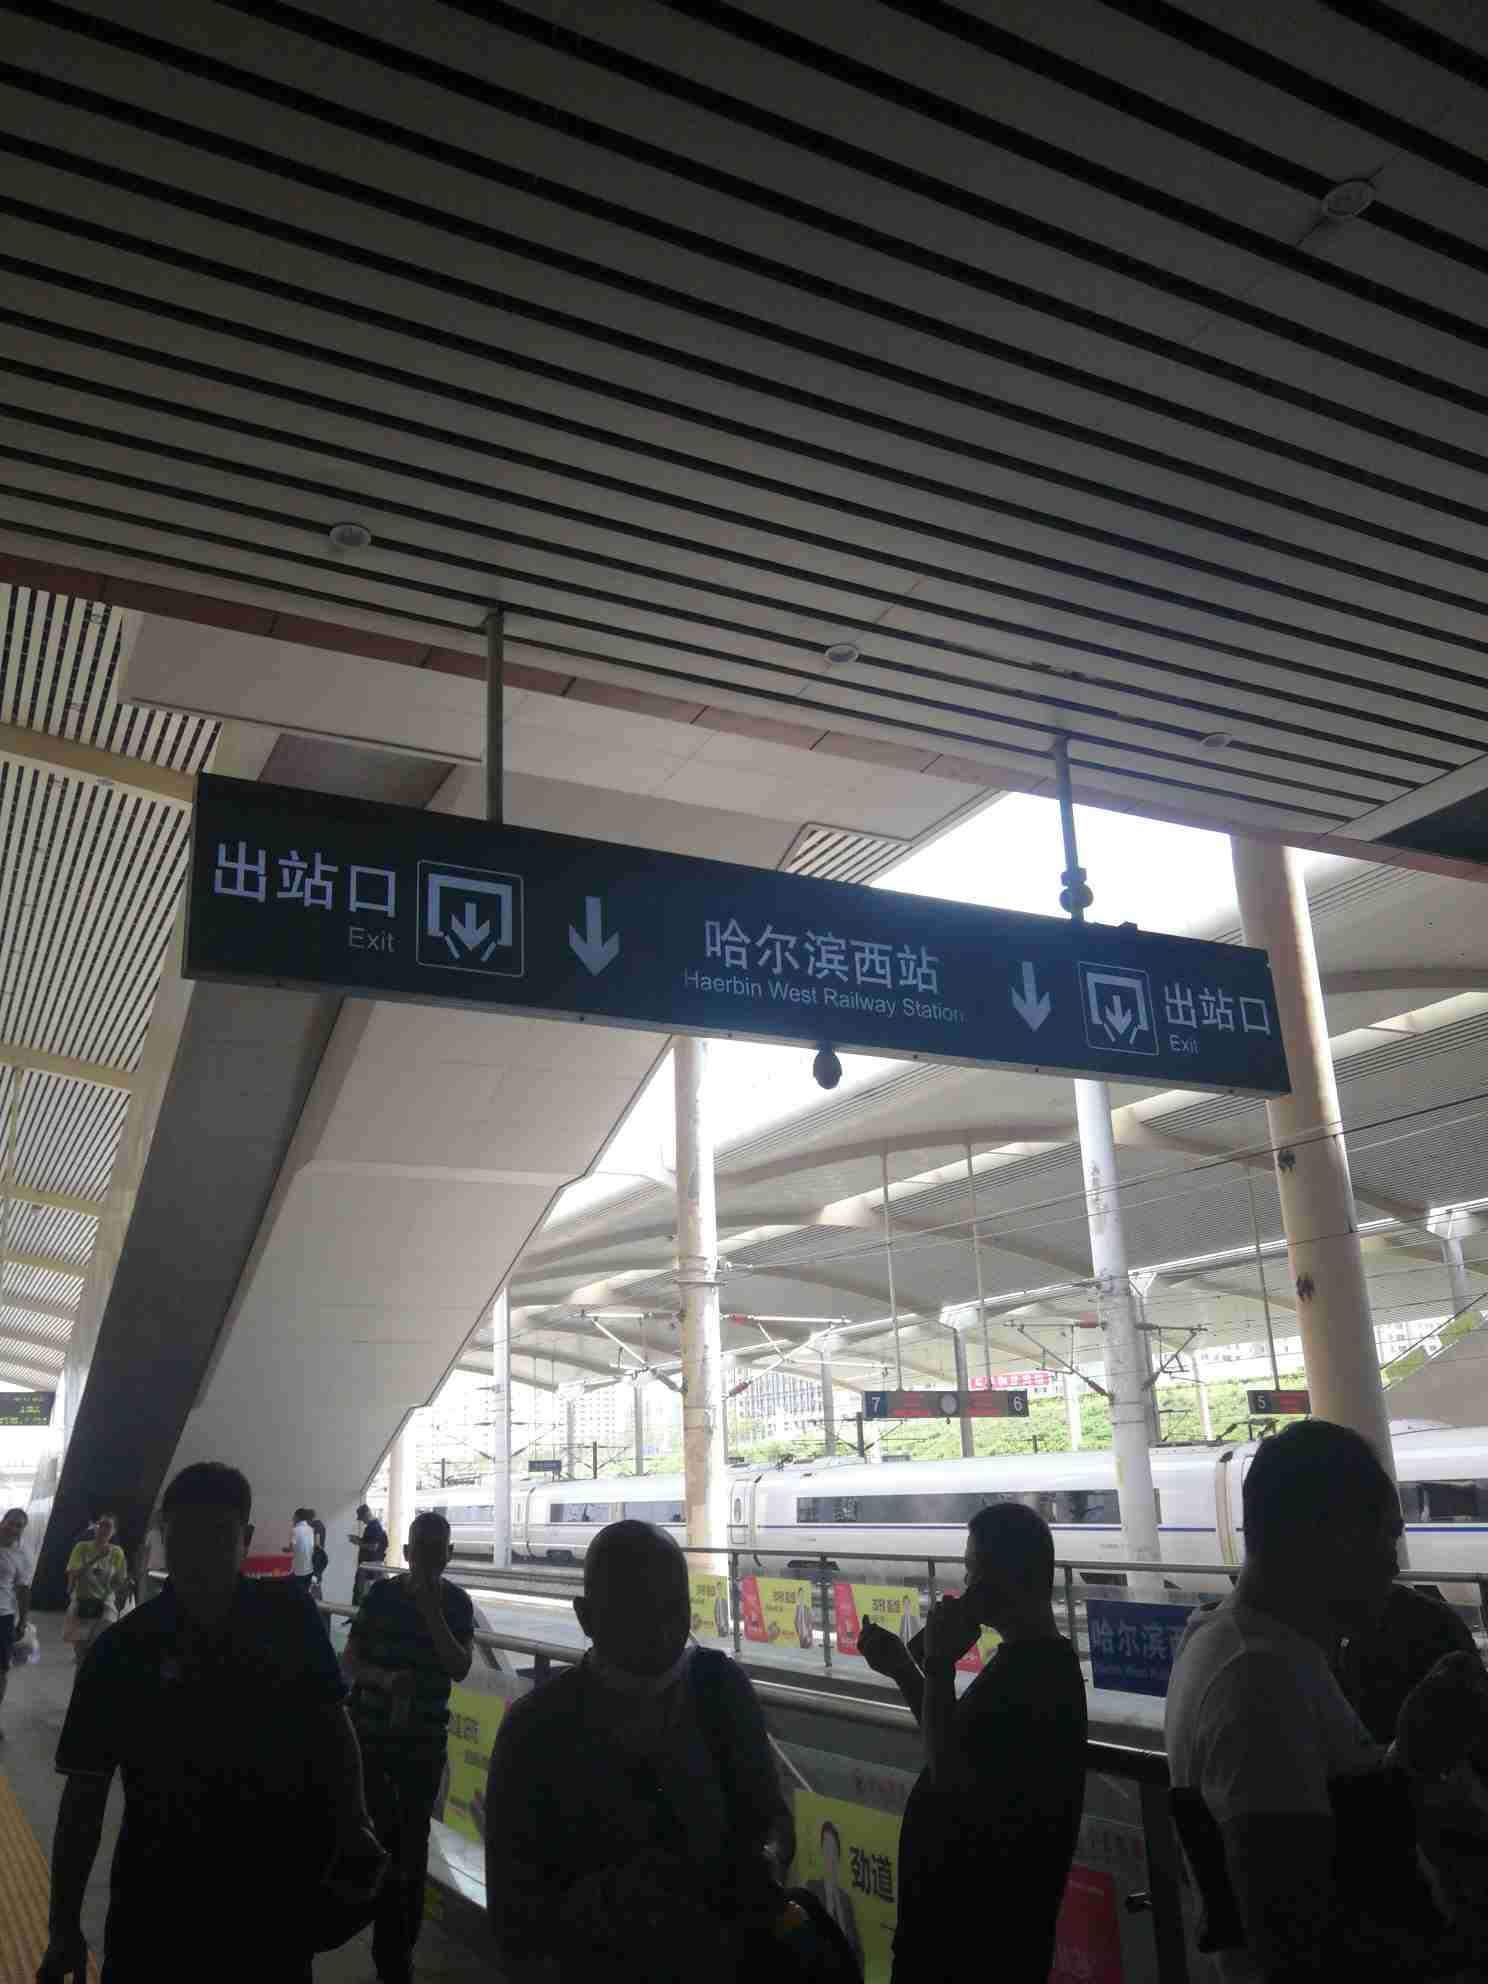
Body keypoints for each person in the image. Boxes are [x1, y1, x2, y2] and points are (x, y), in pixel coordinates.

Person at [37, 1461, 387, 1983]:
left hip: (270, 1909)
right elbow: (83, 1795)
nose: (200, 1554)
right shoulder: (122, 1650)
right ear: (163, 1538)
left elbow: (333, 1731)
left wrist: (356, 1821)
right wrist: (62, 1923)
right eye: (185, 1537)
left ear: (245, 1539)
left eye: (217, 1537)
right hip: (157, 1914)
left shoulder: (290, 1619)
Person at [1166, 1419, 1488, 1981]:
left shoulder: (1239, 1645)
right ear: (1331, 1535)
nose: (1395, 1565)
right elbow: (1295, 1943)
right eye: (1386, 1537)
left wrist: (1406, 1759)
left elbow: (1332, 1831)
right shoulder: (1259, 1679)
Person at [485, 1519, 794, 1983]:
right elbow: (516, 1921)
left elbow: (771, 1817)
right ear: (585, 1617)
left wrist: (764, 1861)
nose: (662, 1629)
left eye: (675, 1608)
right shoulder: (534, 1730)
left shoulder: (722, 1689)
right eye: (637, 1609)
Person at [858, 1502, 1087, 1984]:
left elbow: (947, 1775)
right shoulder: (1028, 1664)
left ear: (1001, 1579)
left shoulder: (1036, 1677)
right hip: (958, 1939)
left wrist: (939, 1663)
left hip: (973, 1948)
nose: (964, 1586)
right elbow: (953, 1741)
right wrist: (906, 1670)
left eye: (972, 1571)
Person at [345, 1510, 475, 1984]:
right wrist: (384, 1680)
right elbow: (351, 1660)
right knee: (377, 1839)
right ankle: (375, 1938)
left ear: (449, 1554)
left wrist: (432, 1613)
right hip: (372, 1741)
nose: (428, 1558)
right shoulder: (380, 1597)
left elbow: (460, 1667)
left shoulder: (456, 1604)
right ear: (406, 1552)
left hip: (422, 1747)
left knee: (412, 1850)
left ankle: (396, 1955)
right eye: (421, 1548)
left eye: (437, 1550)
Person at [63, 1513, 129, 1667]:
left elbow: (119, 1581)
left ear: (114, 1531)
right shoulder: (81, 1547)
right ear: (95, 1527)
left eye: (108, 1526)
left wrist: (123, 1587)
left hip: (105, 1606)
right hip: (82, 1603)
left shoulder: (117, 1552)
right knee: (81, 1655)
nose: (103, 1529)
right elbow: (74, 1573)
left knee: (96, 1652)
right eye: (101, 1524)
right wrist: (96, 1558)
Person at [805, 1819, 865, 1973]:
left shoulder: (845, 1900)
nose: (829, 1854)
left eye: (832, 1848)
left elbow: (857, 1949)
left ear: (838, 1854)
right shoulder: (811, 1889)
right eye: (825, 1847)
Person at [0, 1506, 32, 1733]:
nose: (14, 1529)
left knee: (1, 1671)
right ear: (3, 1521)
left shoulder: (21, 1555)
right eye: (11, 1523)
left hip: (3, 1617)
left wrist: (22, 1621)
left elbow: (23, 1590)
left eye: (19, 1526)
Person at [351, 1501, 390, 1604]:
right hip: (372, 1568)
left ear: (367, 1514)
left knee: (362, 1598)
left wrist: (358, 1542)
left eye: (362, 1518)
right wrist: (359, 1540)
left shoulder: (374, 1527)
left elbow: (373, 1547)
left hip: (370, 1569)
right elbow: (371, 1543)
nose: (362, 1521)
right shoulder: (373, 1527)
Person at [290, 1505, 316, 1594]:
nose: (293, 1518)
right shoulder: (311, 1530)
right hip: (309, 1568)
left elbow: (291, 1548)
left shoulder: (295, 1530)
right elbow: (312, 1547)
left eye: (294, 1516)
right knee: (306, 1593)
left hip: (298, 1570)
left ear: (297, 1517)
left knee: (296, 1593)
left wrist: (286, 1549)